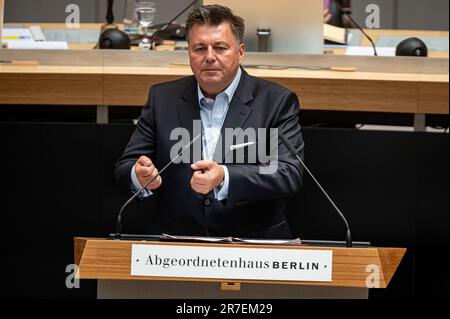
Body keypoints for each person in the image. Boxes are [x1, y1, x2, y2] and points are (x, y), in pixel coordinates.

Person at [114, 5, 304, 239]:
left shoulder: (275, 102)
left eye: (220, 47)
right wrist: (138, 175)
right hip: (176, 245)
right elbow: (125, 168)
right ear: (189, 53)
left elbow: (288, 173)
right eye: (200, 48)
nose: (210, 57)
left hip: (253, 243)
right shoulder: (162, 99)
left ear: (240, 52)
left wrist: (224, 177)